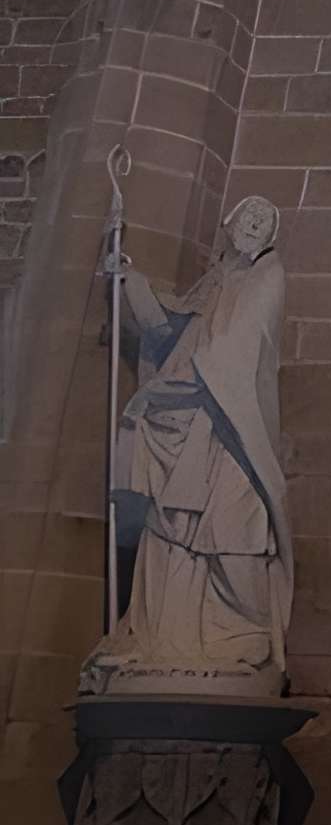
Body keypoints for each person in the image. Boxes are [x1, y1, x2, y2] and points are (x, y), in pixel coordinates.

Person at [84, 196, 290, 695]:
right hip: (187, 421)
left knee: (236, 530)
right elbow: (168, 328)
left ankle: (243, 632)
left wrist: (177, 384)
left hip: (231, 427)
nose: (253, 225)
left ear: (270, 238)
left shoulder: (267, 279)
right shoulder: (216, 282)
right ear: (229, 225)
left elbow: (237, 354)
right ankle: (168, 638)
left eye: (263, 222)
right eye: (247, 217)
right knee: (172, 527)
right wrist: (128, 280)